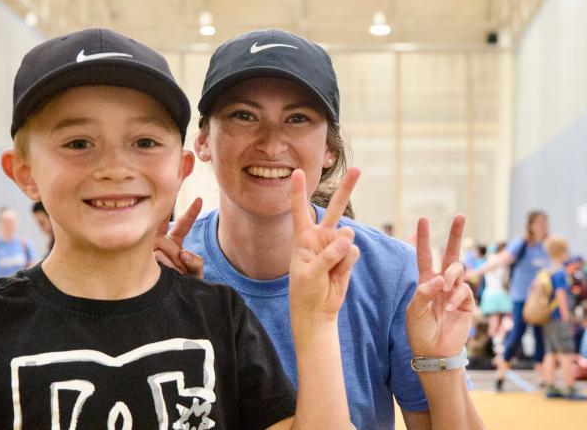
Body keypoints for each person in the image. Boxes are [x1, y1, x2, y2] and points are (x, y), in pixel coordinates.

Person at [0, 27, 366, 429]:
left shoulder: (218, 317)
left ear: (180, 167)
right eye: (78, 143)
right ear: (24, 172)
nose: (114, 167)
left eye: (144, 142)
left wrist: (315, 322)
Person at [166, 29, 483, 428]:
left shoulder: (390, 274)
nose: (271, 143)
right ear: (204, 141)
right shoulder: (164, 267)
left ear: (329, 149)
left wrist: (442, 365)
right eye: (244, 116)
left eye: (297, 119)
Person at [470, 210, 550, 392]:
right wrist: (476, 272)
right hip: (521, 297)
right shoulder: (522, 243)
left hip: (539, 300)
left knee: (540, 337)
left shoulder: (545, 246)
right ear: (530, 225)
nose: (542, 226)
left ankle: (542, 377)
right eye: (539, 223)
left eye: (545, 223)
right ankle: (501, 374)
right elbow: (501, 259)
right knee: (516, 334)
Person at [538, 236, 587, 401]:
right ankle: (569, 386)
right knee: (566, 352)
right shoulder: (559, 272)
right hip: (559, 317)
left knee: (551, 351)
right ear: (561, 252)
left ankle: (550, 384)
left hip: (548, 318)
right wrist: (566, 317)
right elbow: (561, 296)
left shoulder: (547, 270)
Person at [477, 242, 512, 349]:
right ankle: (493, 345)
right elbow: (482, 270)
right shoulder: (495, 259)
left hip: (498, 292)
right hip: (494, 292)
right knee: (495, 321)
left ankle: (496, 342)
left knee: (501, 320)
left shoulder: (500, 260)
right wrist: (473, 272)